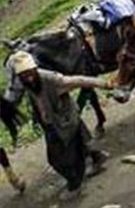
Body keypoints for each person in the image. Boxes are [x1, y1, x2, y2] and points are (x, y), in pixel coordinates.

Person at [9, 51, 110, 200]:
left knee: (57, 160)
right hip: (53, 122)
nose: (29, 79)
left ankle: (75, 184)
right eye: (24, 76)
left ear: (35, 69)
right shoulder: (27, 83)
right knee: (80, 144)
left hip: (64, 122)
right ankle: (97, 158)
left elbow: (79, 80)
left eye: (30, 74)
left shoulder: (51, 79)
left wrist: (106, 84)